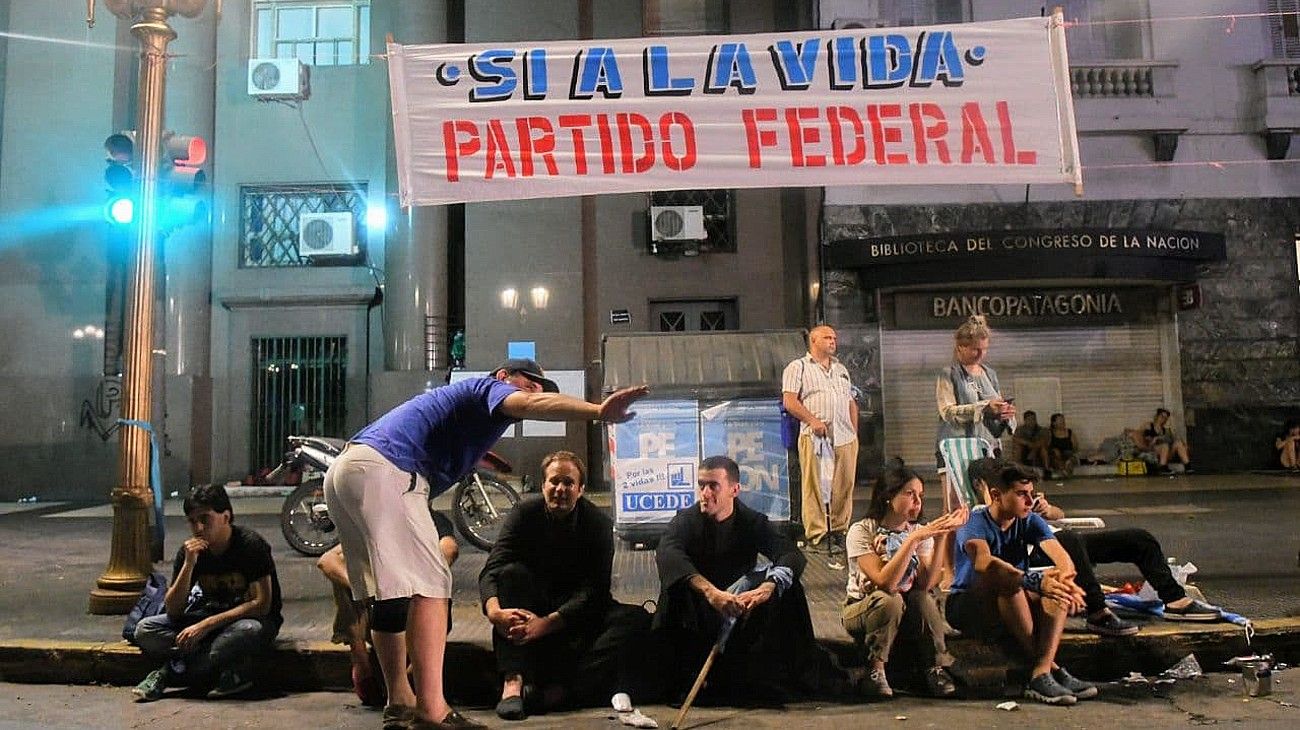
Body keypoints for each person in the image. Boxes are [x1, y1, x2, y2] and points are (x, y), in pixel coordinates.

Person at [324, 357, 648, 730]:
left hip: (348, 470)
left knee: (390, 595)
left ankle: (400, 703)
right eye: (529, 385)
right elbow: (528, 405)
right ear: (503, 376)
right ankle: (432, 710)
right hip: (388, 470)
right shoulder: (487, 388)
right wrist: (598, 411)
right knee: (432, 585)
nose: (534, 395)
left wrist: (478, 450)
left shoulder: (468, 408)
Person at [654, 455, 848, 706]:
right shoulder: (685, 521)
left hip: (739, 612)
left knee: (788, 587)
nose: (705, 493)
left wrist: (768, 587)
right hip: (699, 613)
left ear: (734, 489)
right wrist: (711, 593)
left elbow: (790, 554)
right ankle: (684, 677)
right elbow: (668, 554)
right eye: (701, 485)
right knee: (675, 588)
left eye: (713, 486)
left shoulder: (750, 521)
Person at [480, 451, 653, 721]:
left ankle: (557, 692)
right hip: (531, 603)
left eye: (569, 483)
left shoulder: (597, 523)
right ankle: (513, 682)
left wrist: (547, 623)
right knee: (511, 575)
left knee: (638, 620)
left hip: (574, 613)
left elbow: (596, 590)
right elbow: (492, 569)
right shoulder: (523, 515)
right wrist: (494, 612)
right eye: (554, 482)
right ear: (543, 485)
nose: (560, 489)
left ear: (581, 489)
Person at [945, 458, 1094, 706]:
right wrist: (1034, 581)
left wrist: (1065, 582)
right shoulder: (973, 522)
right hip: (968, 604)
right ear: (996, 495)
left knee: (1055, 585)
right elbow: (985, 564)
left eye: (1031, 494)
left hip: (1015, 602)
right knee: (1008, 581)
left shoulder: (1029, 519)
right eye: (1021, 494)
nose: (1029, 501)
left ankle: (1041, 672)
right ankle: (1049, 668)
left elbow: (1063, 560)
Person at [132, 484, 282, 702]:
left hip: (246, 622)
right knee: (145, 630)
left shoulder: (250, 545)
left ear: (226, 517)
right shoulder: (190, 552)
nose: (199, 527)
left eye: (205, 519)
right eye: (192, 521)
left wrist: (205, 626)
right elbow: (174, 611)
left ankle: (167, 673)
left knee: (248, 630)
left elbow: (262, 604)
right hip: (207, 621)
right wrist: (188, 565)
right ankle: (216, 667)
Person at [842, 462, 967, 699]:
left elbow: (927, 583)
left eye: (920, 495)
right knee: (891, 599)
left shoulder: (918, 531)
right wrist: (912, 541)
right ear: (888, 496)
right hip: (863, 608)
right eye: (909, 494)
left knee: (923, 597)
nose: (917, 502)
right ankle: (875, 671)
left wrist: (941, 536)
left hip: (906, 608)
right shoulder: (862, 531)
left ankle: (936, 667)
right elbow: (885, 582)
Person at [317, 512, 459, 708]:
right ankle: (362, 664)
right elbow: (327, 560)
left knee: (435, 588)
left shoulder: (431, 520)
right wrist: (367, 588)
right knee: (347, 581)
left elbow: (449, 549)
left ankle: (411, 676)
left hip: (414, 599)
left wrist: (412, 578)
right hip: (380, 604)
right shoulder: (378, 519)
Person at [1025, 489, 1220, 627]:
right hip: (1031, 550)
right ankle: (1098, 612)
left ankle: (1175, 601)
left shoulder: (1019, 486)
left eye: (1028, 494)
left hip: (1057, 538)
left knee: (1139, 539)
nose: (1026, 497)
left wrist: (1047, 509)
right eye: (1021, 494)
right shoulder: (998, 501)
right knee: (1069, 539)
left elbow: (1059, 514)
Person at [782, 324, 859, 551]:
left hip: (844, 437)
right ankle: (817, 534)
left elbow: (851, 401)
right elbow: (790, 401)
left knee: (844, 485)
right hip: (814, 436)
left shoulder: (841, 369)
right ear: (814, 341)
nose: (833, 341)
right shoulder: (799, 368)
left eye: (834, 338)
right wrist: (812, 420)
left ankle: (838, 529)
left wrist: (854, 433)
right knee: (814, 485)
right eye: (827, 338)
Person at [935, 315, 1016, 510]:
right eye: (975, 349)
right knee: (955, 506)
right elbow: (947, 412)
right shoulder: (948, 374)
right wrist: (983, 408)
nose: (980, 354)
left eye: (984, 349)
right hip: (956, 447)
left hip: (987, 447)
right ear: (960, 347)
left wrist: (1005, 415)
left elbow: (996, 411)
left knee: (990, 502)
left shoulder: (990, 373)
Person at [1136, 408, 1192, 474]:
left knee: (1178, 443)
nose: (1163, 419)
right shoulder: (1148, 425)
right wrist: (1155, 439)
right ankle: (1162, 468)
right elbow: (1142, 439)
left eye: (1165, 418)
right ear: (1157, 416)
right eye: (1162, 416)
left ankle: (1188, 466)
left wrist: (1183, 444)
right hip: (1151, 449)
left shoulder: (1165, 430)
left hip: (1165, 452)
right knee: (1164, 446)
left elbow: (1173, 440)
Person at [1047, 413, 1079, 478]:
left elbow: (1075, 447)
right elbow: (1046, 447)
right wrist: (1054, 450)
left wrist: (1071, 452)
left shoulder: (1070, 432)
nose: (1063, 422)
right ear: (1054, 423)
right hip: (1056, 456)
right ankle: (1063, 471)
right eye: (1060, 420)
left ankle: (1067, 468)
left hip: (1068, 455)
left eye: (1063, 420)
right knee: (1056, 460)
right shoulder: (1050, 433)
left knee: (1071, 459)